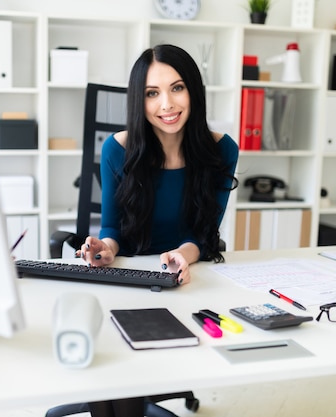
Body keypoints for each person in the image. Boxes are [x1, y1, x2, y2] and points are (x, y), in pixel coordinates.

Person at [78, 44, 239, 417]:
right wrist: (105, 247)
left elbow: (204, 234)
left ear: (193, 91)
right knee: (111, 367)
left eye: (177, 88)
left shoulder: (221, 151)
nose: (166, 104)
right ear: (140, 100)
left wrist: (183, 255)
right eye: (152, 93)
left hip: (186, 276)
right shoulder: (118, 149)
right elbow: (114, 228)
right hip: (127, 273)